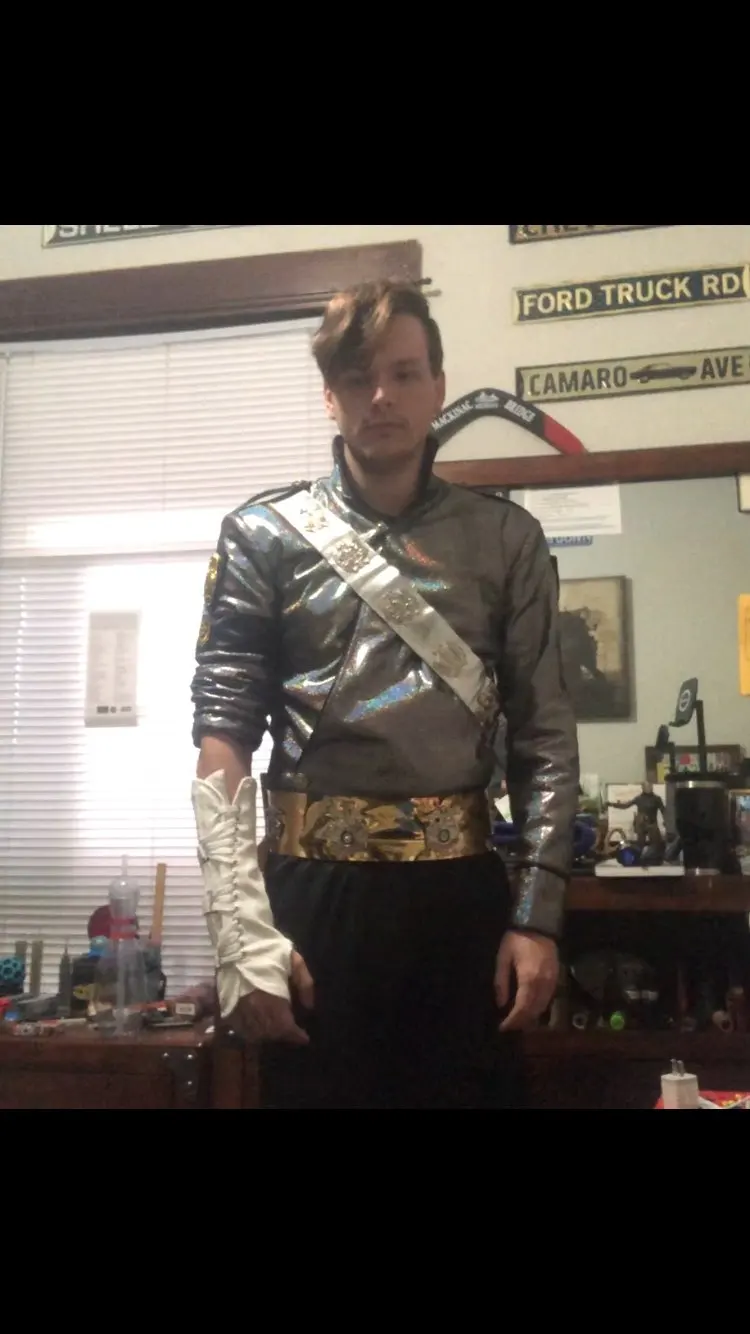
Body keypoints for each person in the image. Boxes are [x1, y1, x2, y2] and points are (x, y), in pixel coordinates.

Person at [191, 281, 580, 1109]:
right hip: (312, 901)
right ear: (329, 396)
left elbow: (544, 737)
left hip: (462, 901)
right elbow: (223, 731)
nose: (381, 397)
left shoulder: (507, 538)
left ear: (438, 386)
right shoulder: (261, 536)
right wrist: (238, 931)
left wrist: (536, 916)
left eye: (403, 374)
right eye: (358, 377)